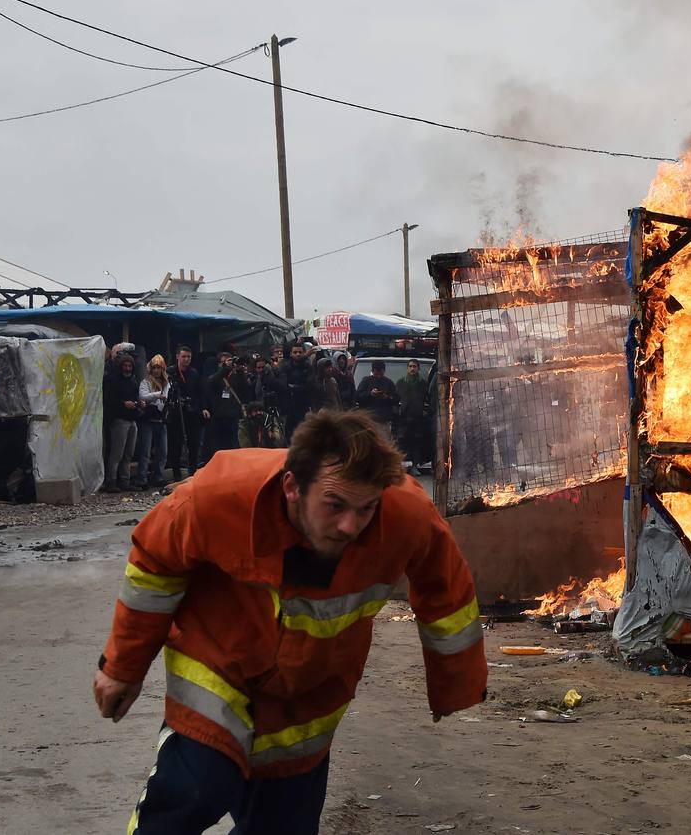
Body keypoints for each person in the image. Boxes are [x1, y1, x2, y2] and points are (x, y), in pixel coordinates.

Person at [92, 410, 486, 833]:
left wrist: (454, 686)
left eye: (366, 508)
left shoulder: (406, 515)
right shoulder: (216, 497)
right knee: (192, 792)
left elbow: (447, 593)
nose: (350, 526)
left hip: (312, 696)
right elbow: (153, 569)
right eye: (334, 505)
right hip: (218, 671)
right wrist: (123, 669)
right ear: (292, 487)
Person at [102, 354, 141, 492]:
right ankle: (111, 481)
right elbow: (108, 400)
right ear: (120, 366)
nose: (127, 369)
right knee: (116, 453)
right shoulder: (112, 380)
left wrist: (137, 404)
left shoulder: (133, 381)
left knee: (128, 453)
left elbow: (136, 397)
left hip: (132, 420)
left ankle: (125, 480)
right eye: (125, 366)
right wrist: (123, 404)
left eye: (130, 366)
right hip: (118, 419)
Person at [167, 345, 206, 480]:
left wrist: (201, 408)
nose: (186, 360)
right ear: (178, 356)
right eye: (183, 356)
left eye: (188, 357)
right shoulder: (171, 372)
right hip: (176, 414)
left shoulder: (194, 373)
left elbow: (200, 393)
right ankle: (177, 475)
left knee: (194, 445)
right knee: (176, 446)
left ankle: (193, 474)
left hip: (192, 414)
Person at [135, 355, 170, 488]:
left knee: (162, 451)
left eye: (159, 368)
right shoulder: (145, 382)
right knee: (145, 451)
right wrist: (157, 395)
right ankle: (142, 478)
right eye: (154, 368)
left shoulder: (167, 382)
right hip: (148, 420)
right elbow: (143, 396)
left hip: (161, 419)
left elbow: (167, 395)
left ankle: (158, 476)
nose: (156, 371)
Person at [203, 351, 242, 456]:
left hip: (233, 415)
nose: (228, 364)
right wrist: (225, 369)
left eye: (229, 361)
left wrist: (240, 370)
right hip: (219, 416)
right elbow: (210, 382)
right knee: (219, 447)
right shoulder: (216, 376)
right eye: (224, 362)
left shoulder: (236, 376)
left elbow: (245, 389)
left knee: (234, 446)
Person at [395, 359, 429, 474]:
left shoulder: (423, 383)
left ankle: (414, 466)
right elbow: (395, 399)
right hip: (403, 419)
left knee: (416, 443)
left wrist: (424, 411)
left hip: (417, 419)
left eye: (414, 366)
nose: (412, 368)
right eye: (410, 366)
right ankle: (400, 466)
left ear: (418, 368)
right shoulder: (400, 382)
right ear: (407, 368)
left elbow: (427, 399)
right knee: (402, 443)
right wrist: (398, 412)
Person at [355, 360, 399, 430]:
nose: (378, 376)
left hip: (384, 421)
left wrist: (386, 397)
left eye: (380, 374)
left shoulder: (389, 383)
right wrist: (370, 394)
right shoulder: (366, 381)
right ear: (372, 371)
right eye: (376, 374)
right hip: (368, 420)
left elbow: (396, 398)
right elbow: (357, 397)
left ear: (384, 371)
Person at [282, 343, 314, 439]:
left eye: (300, 352)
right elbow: (283, 384)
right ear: (291, 354)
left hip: (303, 406)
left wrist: (294, 387)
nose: (298, 354)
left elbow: (310, 386)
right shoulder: (285, 367)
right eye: (295, 352)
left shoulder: (307, 367)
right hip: (289, 406)